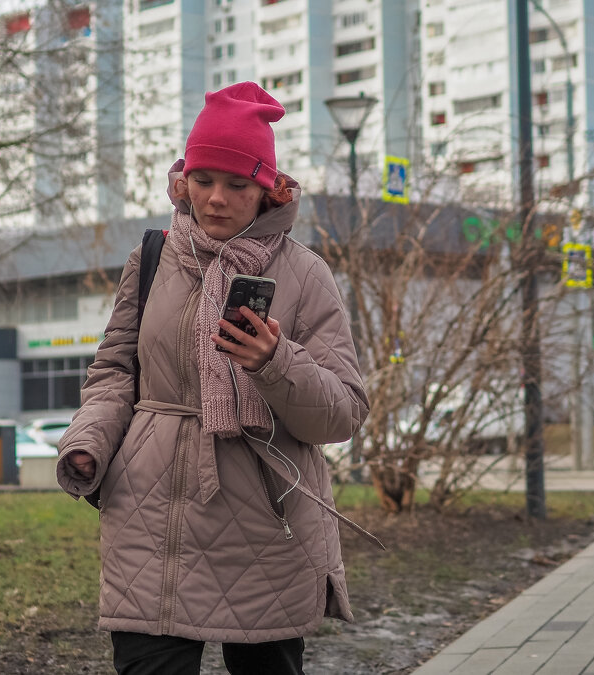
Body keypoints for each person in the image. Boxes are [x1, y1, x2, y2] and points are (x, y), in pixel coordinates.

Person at [56, 82, 370, 675]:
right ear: (183, 182)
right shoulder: (152, 260)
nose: (217, 199)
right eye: (202, 180)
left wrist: (275, 362)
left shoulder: (306, 274)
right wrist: (87, 442)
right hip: (152, 518)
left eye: (237, 185)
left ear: (268, 190)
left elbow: (343, 412)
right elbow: (115, 372)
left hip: (265, 524)